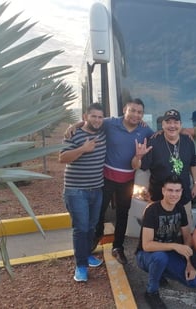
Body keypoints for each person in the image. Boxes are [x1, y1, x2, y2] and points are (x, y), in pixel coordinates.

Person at [66, 98, 154, 265]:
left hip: (127, 180)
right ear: (124, 110)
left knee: (123, 214)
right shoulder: (111, 123)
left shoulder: (144, 130)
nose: (136, 115)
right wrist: (74, 125)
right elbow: (92, 120)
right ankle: (95, 237)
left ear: (142, 115)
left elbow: (157, 136)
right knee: (99, 212)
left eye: (139, 112)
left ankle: (118, 247)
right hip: (105, 177)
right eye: (132, 111)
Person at [136, 175, 196, 309]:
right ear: (163, 191)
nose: (174, 194)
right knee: (160, 257)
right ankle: (151, 292)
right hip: (147, 256)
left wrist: (189, 263)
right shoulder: (152, 210)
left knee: (195, 282)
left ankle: (159, 272)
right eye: (170, 190)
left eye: (177, 191)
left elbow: (187, 237)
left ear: (182, 192)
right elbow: (147, 245)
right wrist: (174, 245)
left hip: (168, 254)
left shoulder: (180, 209)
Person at [59, 103, 107, 282]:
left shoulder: (103, 132)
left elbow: (124, 121)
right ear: (85, 116)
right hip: (76, 190)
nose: (97, 120)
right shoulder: (74, 134)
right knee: (80, 228)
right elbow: (62, 158)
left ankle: (86, 255)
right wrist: (82, 149)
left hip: (96, 189)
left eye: (100, 117)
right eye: (93, 116)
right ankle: (80, 266)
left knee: (91, 226)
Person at [133, 109, 196, 231]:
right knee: (159, 232)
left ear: (180, 125)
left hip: (183, 197)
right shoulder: (153, 142)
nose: (172, 126)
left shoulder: (188, 141)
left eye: (175, 122)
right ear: (162, 125)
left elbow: (193, 164)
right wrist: (138, 157)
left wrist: (195, 183)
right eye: (168, 122)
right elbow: (139, 166)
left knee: (186, 230)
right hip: (159, 198)